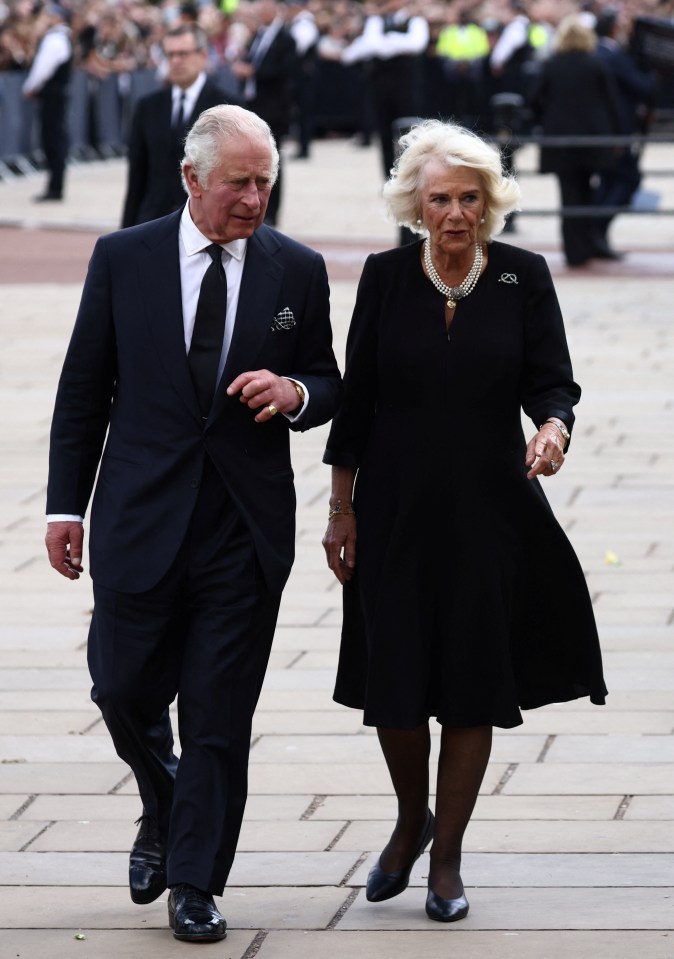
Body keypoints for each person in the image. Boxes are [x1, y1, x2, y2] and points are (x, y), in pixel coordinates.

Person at [45, 104, 341, 943]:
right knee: (120, 687)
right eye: (239, 183)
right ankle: (166, 801)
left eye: (265, 183)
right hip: (140, 518)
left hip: (241, 532)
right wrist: (65, 504)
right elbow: (82, 391)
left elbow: (329, 379)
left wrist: (297, 396)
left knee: (217, 716)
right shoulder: (123, 258)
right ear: (191, 179)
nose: (254, 199)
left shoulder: (297, 268)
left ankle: (195, 880)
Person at [322, 119, 606, 924]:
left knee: (473, 687)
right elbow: (358, 402)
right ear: (416, 203)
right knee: (399, 689)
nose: (454, 212)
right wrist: (341, 507)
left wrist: (553, 427)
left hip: (490, 512)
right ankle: (409, 820)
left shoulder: (522, 276)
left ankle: (446, 855)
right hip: (395, 511)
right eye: (440, 197)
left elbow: (554, 383)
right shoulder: (383, 278)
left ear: (490, 203)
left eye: (469, 198)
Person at [529, 14, 622, 267]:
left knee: (568, 195)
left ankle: (573, 251)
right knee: (587, 192)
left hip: (560, 141)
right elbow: (612, 103)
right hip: (592, 140)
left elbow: (534, 100)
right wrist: (617, 135)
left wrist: (543, 120)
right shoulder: (596, 64)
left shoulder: (551, 65)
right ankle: (588, 244)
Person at [121, 24, 234, 228]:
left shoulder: (226, 107)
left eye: (183, 54)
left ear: (202, 55)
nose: (175, 61)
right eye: (170, 54)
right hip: (153, 222)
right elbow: (137, 175)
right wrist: (127, 229)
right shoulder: (148, 107)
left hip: (206, 224)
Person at [341, 0, 429, 179]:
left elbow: (416, 44)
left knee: (410, 131)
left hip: (406, 86)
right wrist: (395, 44)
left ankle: (411, 177)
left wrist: (389, 41)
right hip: (381, 85)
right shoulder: (376, 21)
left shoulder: (415, 20)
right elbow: (374, 46)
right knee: (384, 133)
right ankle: (389, 178)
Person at [231, 0, 297, 226]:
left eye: (263, 7)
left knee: (273, 160)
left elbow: (285, 70)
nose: (260, 12)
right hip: (255, 105)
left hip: (275, 108)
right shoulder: (258, 34)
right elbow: (252, 58)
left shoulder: (286, 38)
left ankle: (272, 212)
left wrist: (253, 71)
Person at [22, 2, 72, 202]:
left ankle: (55, 188)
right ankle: (54, 186)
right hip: (55, 96)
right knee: (54, 139)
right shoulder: (61, 37)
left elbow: (42, 69)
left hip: (52, 96)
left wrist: (29, 88)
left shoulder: (55, 39)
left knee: (52, 140)